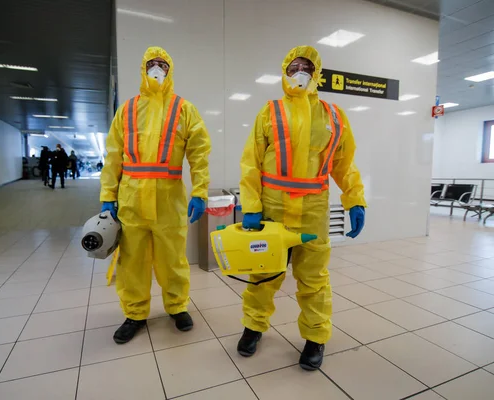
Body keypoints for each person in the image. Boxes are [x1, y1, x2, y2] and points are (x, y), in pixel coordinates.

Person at [237, 46, 367, 371]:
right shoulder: (269, 111)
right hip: (272, 211)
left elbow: (344, 164)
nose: (300, 71)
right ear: (284, 71)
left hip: (313, 212)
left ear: (317, 73)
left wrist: (354, 199)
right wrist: (250, 207)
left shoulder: (334, 115)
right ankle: (254, 326)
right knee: (263, 274)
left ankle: (315, 337)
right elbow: (251, 163)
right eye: (294, 65)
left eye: (306, 66)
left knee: (313, 279)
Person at [101, 47, 211, 344]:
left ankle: (177, 306)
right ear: (143, 69)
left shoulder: (183, 109)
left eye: (163, 64)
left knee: (172, 258)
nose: (157, 69)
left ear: (170, 70)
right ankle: (134, 313)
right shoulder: (127, 109)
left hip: (168, 200)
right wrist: (107, 195)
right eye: (152, 64)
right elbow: (113, 156)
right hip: (131, 200)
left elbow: (199, 154)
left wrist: (200, 191)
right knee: (132, 262)